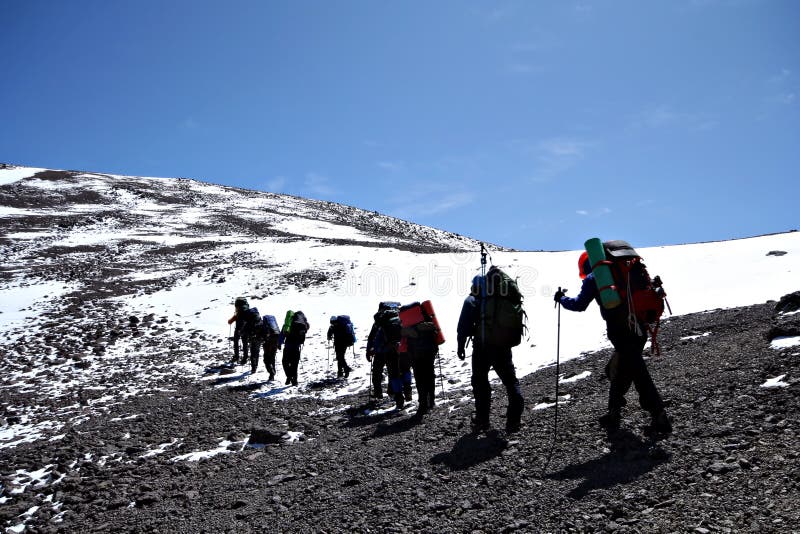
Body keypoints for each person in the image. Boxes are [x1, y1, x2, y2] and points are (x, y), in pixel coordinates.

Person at [555, 249, 672, 434]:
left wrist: (561, 298)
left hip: (620, 331)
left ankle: (658, 414)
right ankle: (613, 413)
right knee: (618, 368)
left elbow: (579, 304)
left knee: (637, 371)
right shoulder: (625, 269)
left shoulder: (596, 276)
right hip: (640, 327)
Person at [456, 274, 525, 433]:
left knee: (480, 382)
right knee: (510, 381)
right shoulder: (500, 299)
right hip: (502, 345)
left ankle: (482, 420)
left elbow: (463, 327)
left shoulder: (471, 300)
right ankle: (513, 421)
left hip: (482, 347)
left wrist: (461, 346)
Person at [404, 317, 439, 417]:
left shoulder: (408, 323)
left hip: (415, 355)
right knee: (430, 376)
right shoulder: (427, 319)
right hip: (429, 353)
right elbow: (435, 335)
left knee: (420, 379)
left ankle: (423, 404)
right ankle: (431, 401)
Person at [279, 310, 308, 386]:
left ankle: (289, 377)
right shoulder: (302, 324)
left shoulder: (288, 323)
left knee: (285, 362)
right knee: (294, 364)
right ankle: (294, 381)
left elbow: (282, 333)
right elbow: (307, 328)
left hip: (288, 346)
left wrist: (279, 343)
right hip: (296, 347)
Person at [227, 297, 250, 364]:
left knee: (236, 342)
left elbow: (230, 321)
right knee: (245, 343)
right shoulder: (246, 311)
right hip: (246, 329)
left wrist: (232, 319)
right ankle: (245, 358)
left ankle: (236, 356)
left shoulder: (238, 312)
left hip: (238, 329)